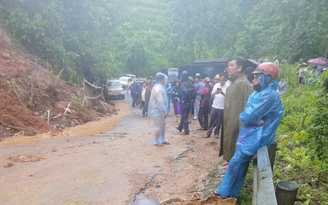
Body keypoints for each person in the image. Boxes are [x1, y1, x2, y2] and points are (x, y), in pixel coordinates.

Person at [214, 62, 283, 199]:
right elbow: (246, 116)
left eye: (257, 77)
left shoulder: (268, 95)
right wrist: (249, 118)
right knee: (239, 164)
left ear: (266, 78)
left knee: (236, 163)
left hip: (258, 137)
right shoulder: (259, 93)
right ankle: (231, 196)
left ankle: (223, 194)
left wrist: (249, 118)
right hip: (250, 134)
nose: (253, 80)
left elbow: (247, 116)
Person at [222, 57, 253, 168]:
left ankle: (235, 162)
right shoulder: (233, 84)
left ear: (239, 68)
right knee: (230, 138)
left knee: (236, 139)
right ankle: (230, 160)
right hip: (231, 121)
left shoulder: (243, 84)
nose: (228, 68)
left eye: (232, 65)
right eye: (228, 65)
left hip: (238, 123)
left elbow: (246, 109)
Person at [204, 74, 230, 141]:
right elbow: (211, 95)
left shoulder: (228, 86)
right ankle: (208, 133)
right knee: (211, 120)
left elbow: (229, 98)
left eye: (222, 80)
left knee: (219, 122)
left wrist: (222, 93)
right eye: (220, 80)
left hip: (222, 107)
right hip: (214, 106)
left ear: (225, 80)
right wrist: (216, 92)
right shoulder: (216, 85)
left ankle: (216, 133)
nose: (221, 81)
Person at [147, 73, 170, 146]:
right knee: (158, 126)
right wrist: (164, 111)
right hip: (157, 110)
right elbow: (160, 102)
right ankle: (156, 141)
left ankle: (163, 139)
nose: (165, 81)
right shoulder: (159, 89)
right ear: (161, 80)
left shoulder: (159, 87)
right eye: (164, 79)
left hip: (159, 110)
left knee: (162, 126)